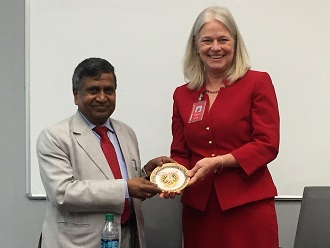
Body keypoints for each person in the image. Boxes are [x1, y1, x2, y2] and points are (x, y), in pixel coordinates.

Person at [170, 6, 280, 248]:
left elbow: (267, 144)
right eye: (207, 40)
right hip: (200, 212)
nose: (216, 47)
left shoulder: (257, 82)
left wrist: (219, 161)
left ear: (235, 43)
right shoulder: (182, 95)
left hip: (249, 207)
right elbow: (180, 153)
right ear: (196, 46)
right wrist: (171, 178)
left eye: (223, 39)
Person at [37, 57, 174, 248]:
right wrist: (126, 188)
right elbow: (63, 193)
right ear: (76, 95)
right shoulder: (54, 137)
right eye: (93, 90)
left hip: (127, 238)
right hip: (79, 243)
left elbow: (118, 179)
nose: (102, 98)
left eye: (108, 90)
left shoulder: (126, 132)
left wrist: (146, 175)